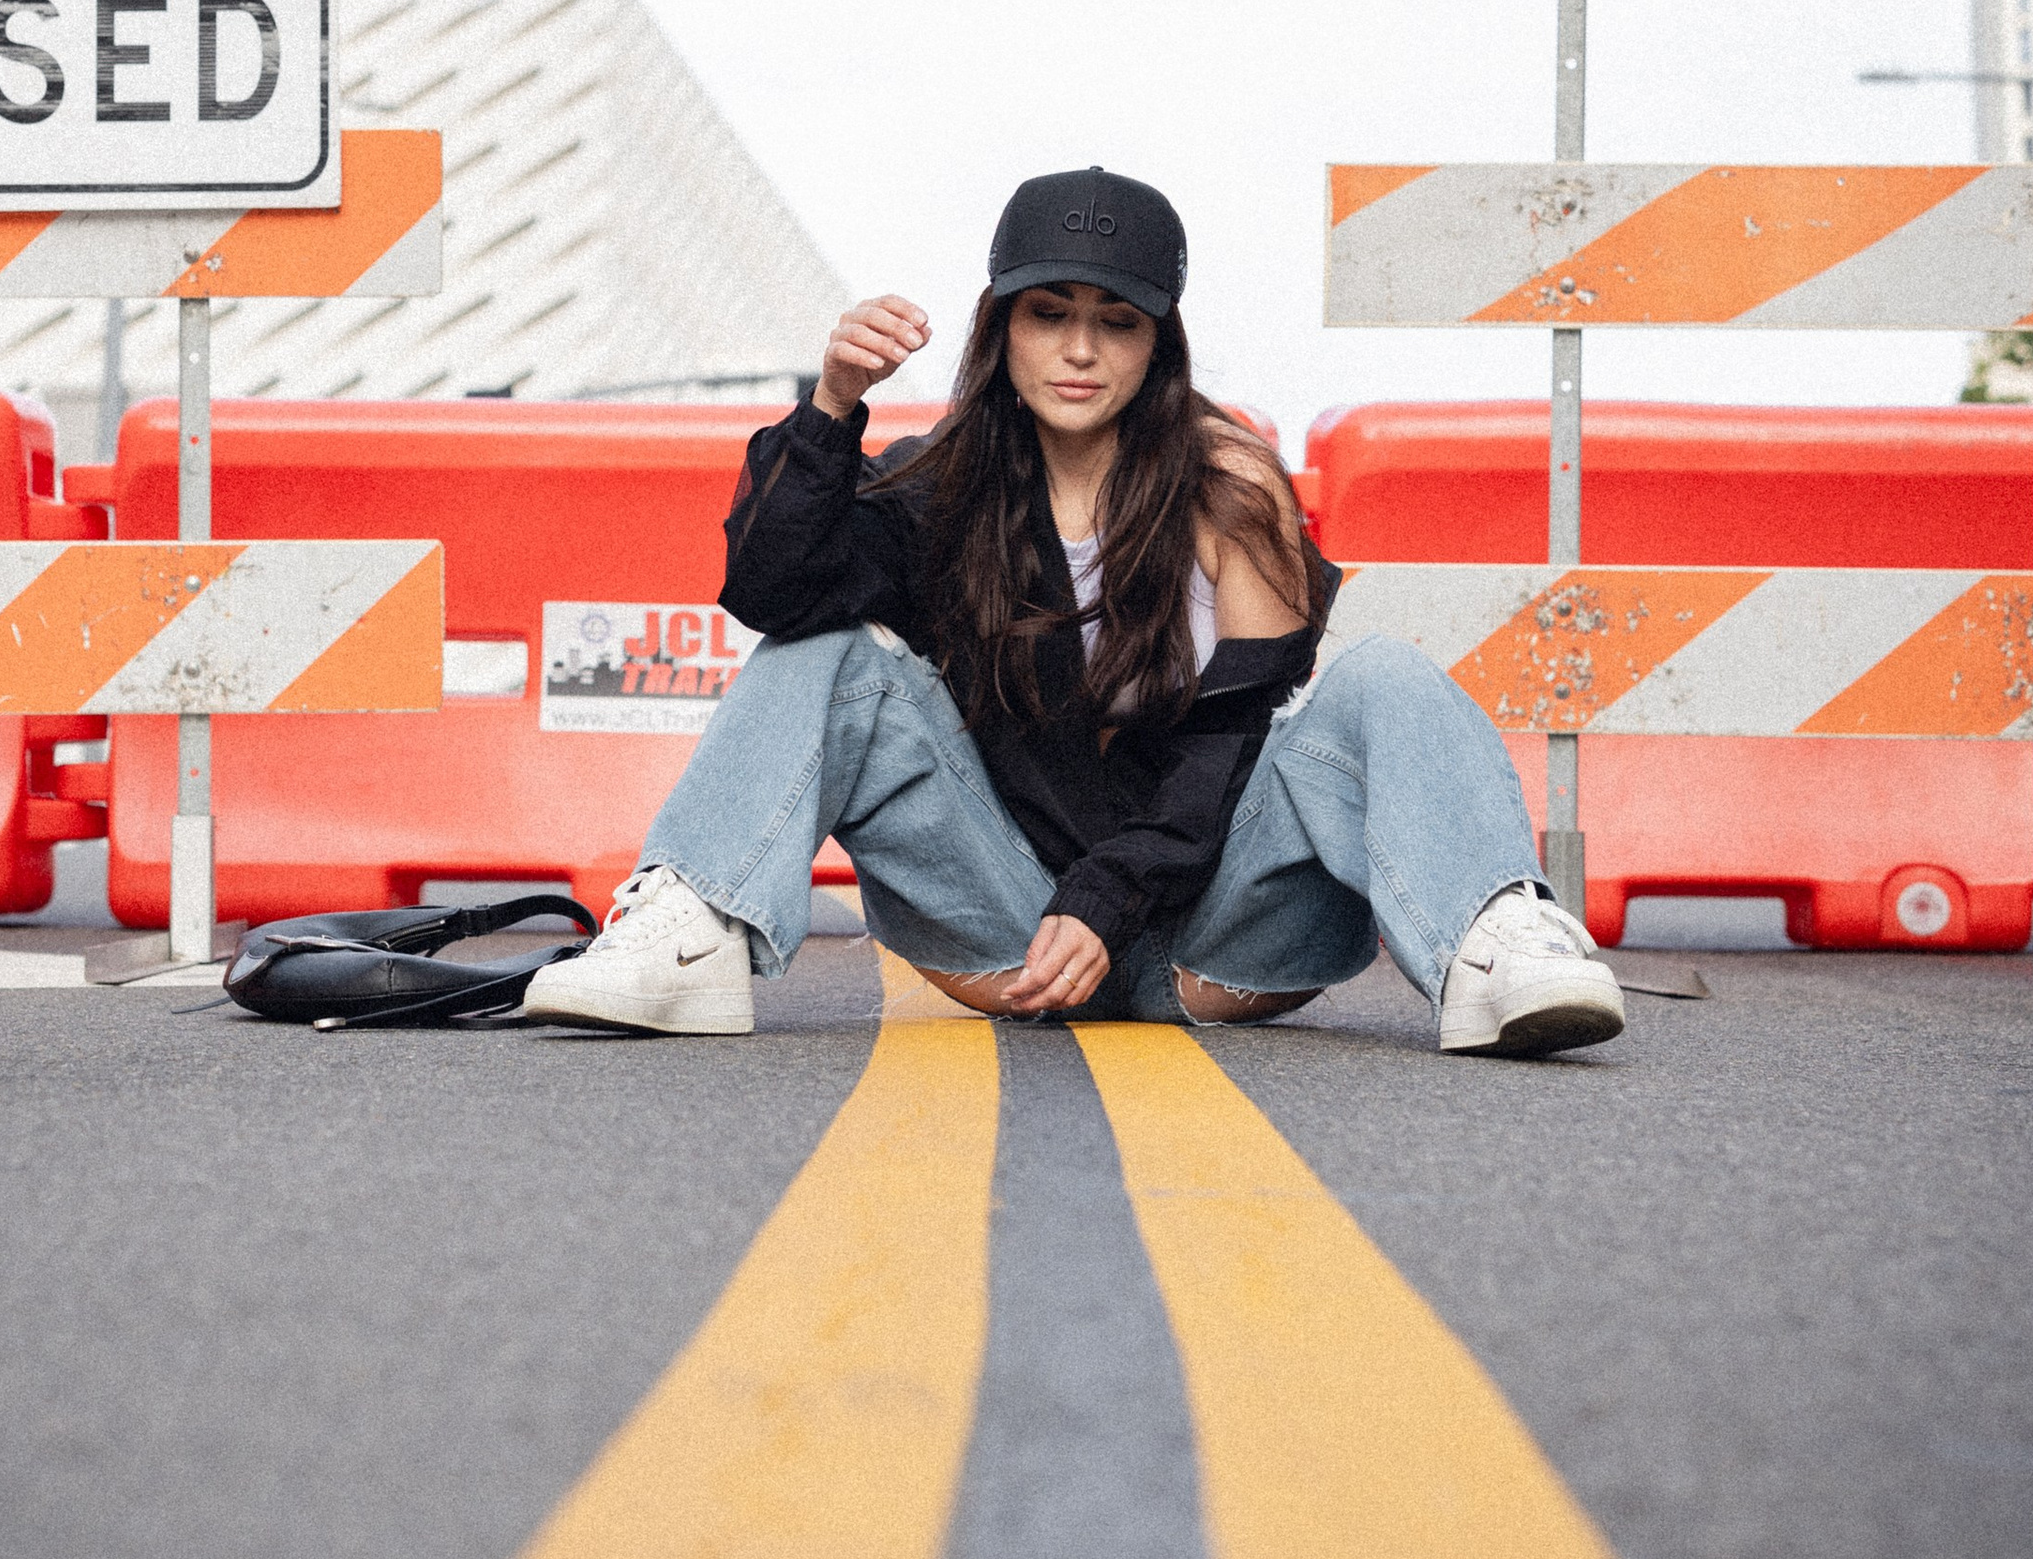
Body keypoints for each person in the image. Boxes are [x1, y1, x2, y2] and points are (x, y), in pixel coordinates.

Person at [525, 166, 1624, 1056]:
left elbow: (1228, 746)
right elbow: (772, 593)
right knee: (830, 657)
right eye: (1049, 314)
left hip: (1222, 929)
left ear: (1158, 343)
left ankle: (1499, 945)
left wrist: (1108, 897)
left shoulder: (1230, 485)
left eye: (1117, 321)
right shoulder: (938, 487)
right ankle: (686, 933)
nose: (1082, 349)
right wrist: (828, 409)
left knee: (1383, 671)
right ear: (1002, 327)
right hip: (1009, 921)